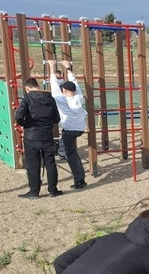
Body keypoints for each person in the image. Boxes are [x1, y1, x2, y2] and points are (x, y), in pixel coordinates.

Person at [14, 77, 62, 199]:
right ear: (38, 86)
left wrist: (24, 123)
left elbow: (19, 115)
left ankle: (34, 191)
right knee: (50, 162)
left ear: (27, 88)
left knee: (33, 164)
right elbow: (57, 119)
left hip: (31, 135)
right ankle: (53, 189)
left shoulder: (27, 98)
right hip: (47, 134)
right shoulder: (50, 98)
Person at [48, 60, 88, 190]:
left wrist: (52, 67)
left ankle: (80, 180)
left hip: (69, 130)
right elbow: (75, 84)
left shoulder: (61, 99)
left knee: (71, 154)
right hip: (80, 128)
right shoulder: (78, 97)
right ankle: (63, 152)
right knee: (70, 150)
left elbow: (54, 85)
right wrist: (68, 69)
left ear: (64, 90)